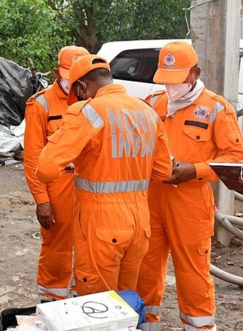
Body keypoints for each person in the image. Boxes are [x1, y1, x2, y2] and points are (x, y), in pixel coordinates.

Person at [36, 55, 172, 296]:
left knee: (99, 304)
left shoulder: (87, 111)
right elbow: (163, 171)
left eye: (78, 93)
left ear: (81, 86)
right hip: (139, 222)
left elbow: (45, 169)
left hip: (101, 223)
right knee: (125, 299)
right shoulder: (147, 111)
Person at [135, 41, 243, 331]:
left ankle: (198, 327)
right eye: (166, 81)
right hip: (152, 200)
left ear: (194, 73)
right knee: (145, 269)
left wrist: (194, 170)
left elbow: (234, 158)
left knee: (192, 274)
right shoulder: (153, 103)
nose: (171, 88)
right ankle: (146, 324)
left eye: (177, 80)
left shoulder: (216, 109)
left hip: (191, 204)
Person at [23, 45, 89, 302]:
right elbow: (32, 158)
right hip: (58, 188)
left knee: (86, 247)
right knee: (57, 250)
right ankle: (51, 302)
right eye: (68, 74)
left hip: (89, 189)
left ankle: (79, 300)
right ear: (56, 72)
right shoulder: (41, 104)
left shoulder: (92, 102)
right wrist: (42, 200)